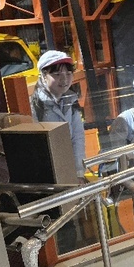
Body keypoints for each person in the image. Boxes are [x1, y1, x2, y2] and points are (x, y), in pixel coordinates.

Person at [30, 50, 86, 179]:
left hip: (67, 170)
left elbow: (77, 137)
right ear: (43, 76)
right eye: (57, 74)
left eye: (68, 73)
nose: (64, 79)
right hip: (47, 174)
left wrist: (79, 172)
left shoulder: (71, 101)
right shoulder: (35, 106)